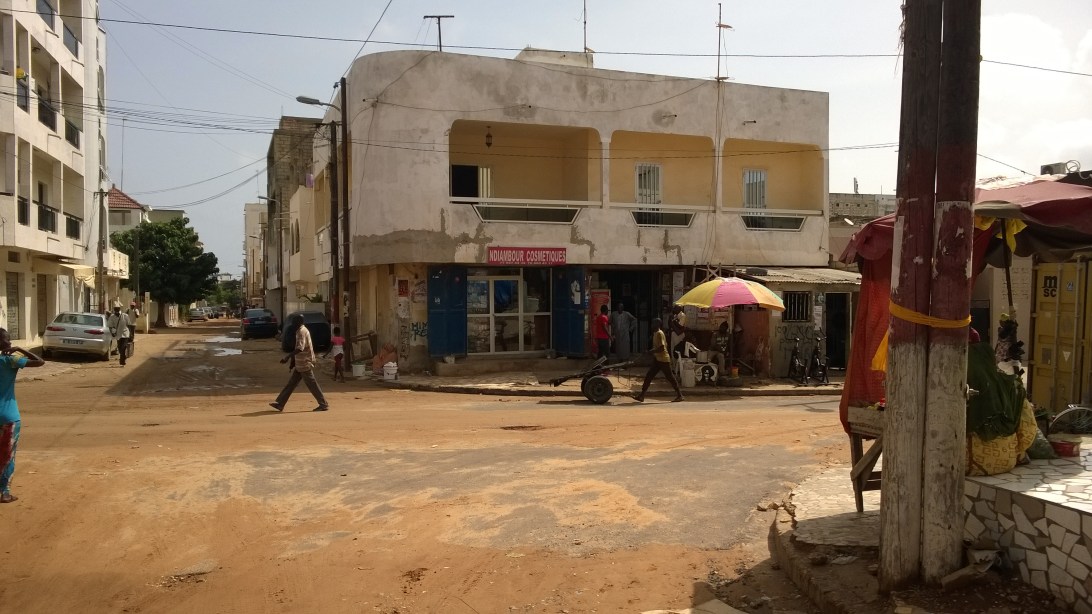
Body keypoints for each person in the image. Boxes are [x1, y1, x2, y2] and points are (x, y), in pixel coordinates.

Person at [0, 328, 45, 503]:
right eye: (7, 340)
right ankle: (4, 493)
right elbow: (40, 362)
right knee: (8, 455)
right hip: (9, 416)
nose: (10, 342)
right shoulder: (10, 360)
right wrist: (20, 349)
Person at [270, 313, 329, 412]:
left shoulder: (301, 332)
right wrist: (293, 362)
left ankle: (323, 404)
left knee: (312, 384)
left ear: (299, 322)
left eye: (294, 321)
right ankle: (280, 403)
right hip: (300, 363)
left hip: (305, 362)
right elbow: (297, 348)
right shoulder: (300, 330)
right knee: (291, 384)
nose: (292, 323)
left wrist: (287, 357)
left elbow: (300, 348)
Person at [632, 318, 684, 403]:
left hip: (663, 360)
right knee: (649, 376)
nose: (652, 325)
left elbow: (662, 348)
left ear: (658, 324)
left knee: (670, 377)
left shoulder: (659, 333)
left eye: (653, 323)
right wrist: (649, 351)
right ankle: (642, 395)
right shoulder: (655, 333)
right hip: (658, 359)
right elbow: (658, 347)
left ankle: (680, 395)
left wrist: (650, 352)